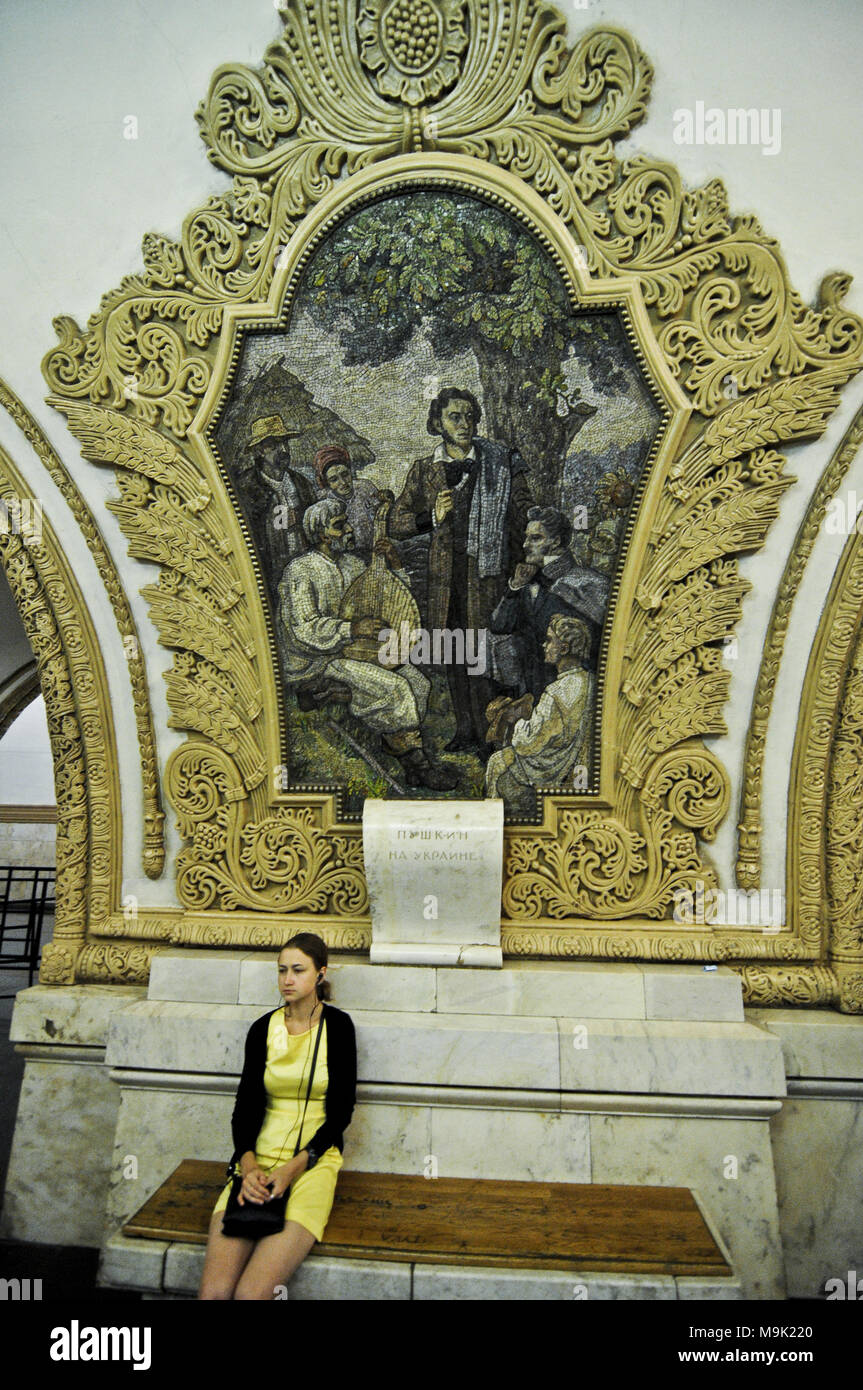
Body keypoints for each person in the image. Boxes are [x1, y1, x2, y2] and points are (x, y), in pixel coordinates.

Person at [199, 932, 356, 1300]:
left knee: (251, 1294)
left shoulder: (339, 1027)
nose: (288, 979)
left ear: (320, 974)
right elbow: (245, 1107)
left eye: (298, 970)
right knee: (214, 1294)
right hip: (257, 1161)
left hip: (312, 1163)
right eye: (282, 970)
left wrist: (294, 1168)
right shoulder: (262, 1029)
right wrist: (249, 1165)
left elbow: (340, 1113)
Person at [279, 497, 457, 790]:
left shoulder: (352, 564)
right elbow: (303, 629)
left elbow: (391, 597)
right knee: (396, 687)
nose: (349, 529)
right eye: (340, 526)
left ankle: (399, 748)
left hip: (358, 650)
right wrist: (352, 628)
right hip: (319, 658)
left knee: (419, 682)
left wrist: (395, 565)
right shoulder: (301, 570)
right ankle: (419, 766)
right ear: (322, 534)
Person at [391, 388, 532, 755]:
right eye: (455, 416)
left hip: (485, 575)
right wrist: (431, 516)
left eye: (470, 416)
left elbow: (521, 512)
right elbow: (397, 521)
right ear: (438, 423)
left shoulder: (499, 463)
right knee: (454, 653)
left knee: (486, 653)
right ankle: (465, 729)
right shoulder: (424, 470)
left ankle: (494, 731)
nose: (465, 424)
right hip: (444, 580)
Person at [489, 506, 608, 697]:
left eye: (535, 538)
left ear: (556, 541)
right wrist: (515, 587)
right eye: (526, 537)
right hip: (532, 692)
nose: (526, 544)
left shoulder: (586, 584)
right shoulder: (526, 584)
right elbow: (499, 625)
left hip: (575, 692)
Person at [485, 615, 594, 808]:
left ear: (564, 648)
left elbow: (527, 744)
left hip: (555, 769)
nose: (544, 645)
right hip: (580, 766)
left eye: (550, 640)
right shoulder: (592, 682)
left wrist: (515, 720)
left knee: (496, 763)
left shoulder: (555, 693)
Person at [314, 444, 389, 561]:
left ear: (350, 471)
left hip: (374, 551)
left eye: (345, 474)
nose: (343, 482)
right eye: (334, 479)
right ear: (326, 483)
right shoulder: (323, 501)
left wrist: (387, 501)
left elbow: (384, 502)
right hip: (344, 558)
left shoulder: (365, 487)